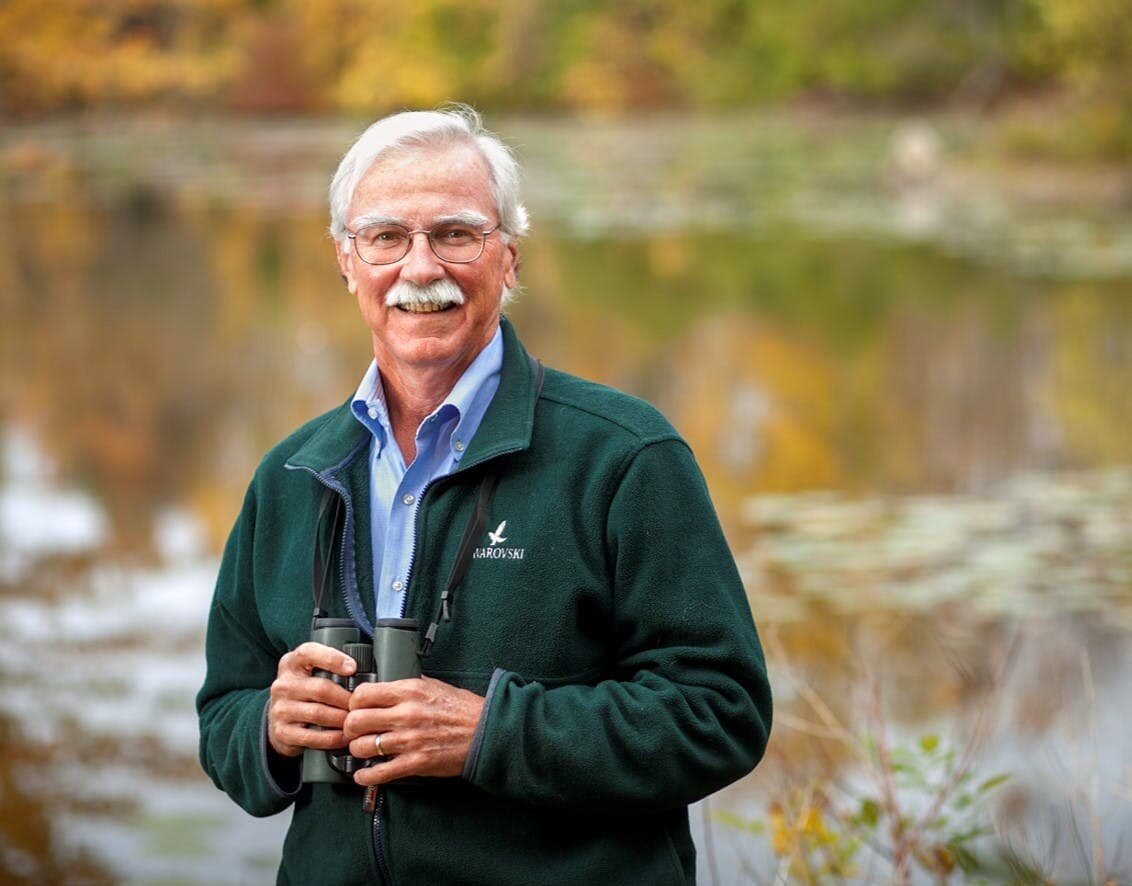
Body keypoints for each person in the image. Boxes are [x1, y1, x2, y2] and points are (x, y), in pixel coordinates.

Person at [196, 105, 772, 885]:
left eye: (457, 234)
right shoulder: (290, 474)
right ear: (346, 261)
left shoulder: (625, 455)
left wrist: (490, 734)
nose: (421, 267)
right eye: (386, 236)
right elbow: (223, 713)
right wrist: (271, 728)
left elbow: (720, 714)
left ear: (509, 260)